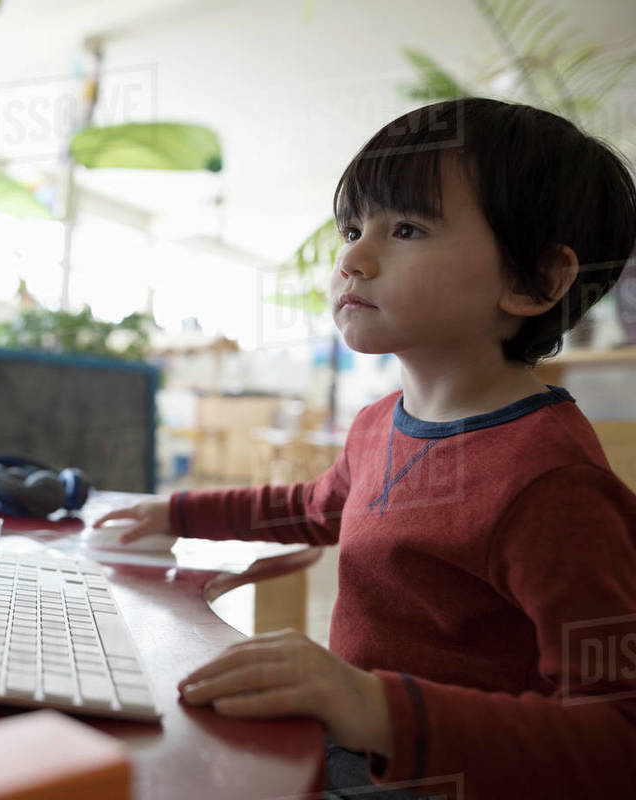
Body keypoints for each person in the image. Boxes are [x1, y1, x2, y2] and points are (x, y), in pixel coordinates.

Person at [98, 98, 636, 799]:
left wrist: (372, 706)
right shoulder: (382, 422)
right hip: (357, 746)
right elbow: (313, 506)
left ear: (533, 281)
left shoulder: (551, 483)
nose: (351, 257)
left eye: (406, 228)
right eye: (353, 229)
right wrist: (178, 514)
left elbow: (616, 737)